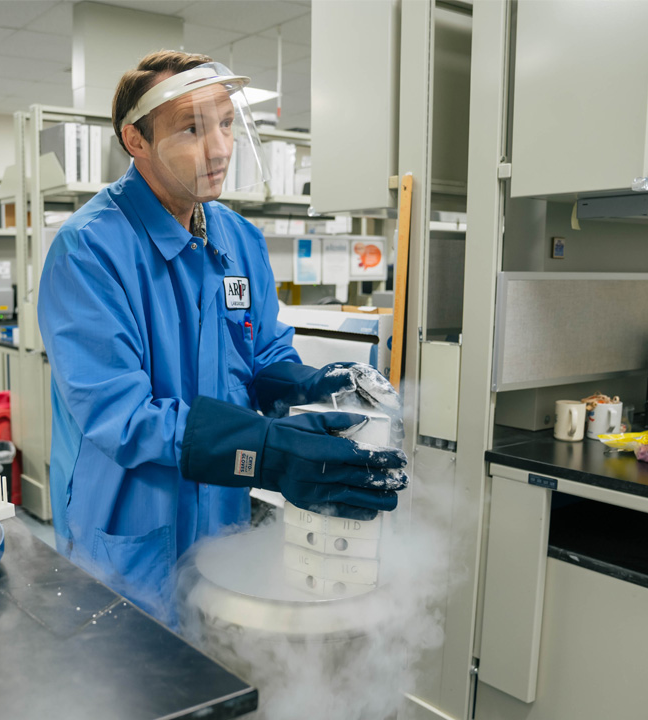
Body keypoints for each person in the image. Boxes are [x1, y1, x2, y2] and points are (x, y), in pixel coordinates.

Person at [38, 51, 407, 624]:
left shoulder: (238, 237)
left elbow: (261, 354)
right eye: (191, 128)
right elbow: (122, 416)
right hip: (133, 528)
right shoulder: (90, 250)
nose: (219, 149)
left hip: (222, 515)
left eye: (226, 123)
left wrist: (308, 382)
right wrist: (269, 452)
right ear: (136, 141)